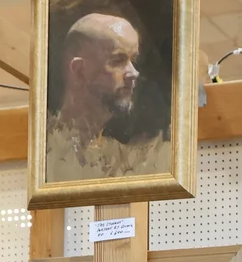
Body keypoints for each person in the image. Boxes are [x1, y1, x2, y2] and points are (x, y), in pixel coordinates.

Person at [45, 12, 169, 182]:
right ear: (79, 71)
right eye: (117, 61)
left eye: (134, 60)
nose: (133, 73)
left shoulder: (121, 150)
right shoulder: (50, 150)